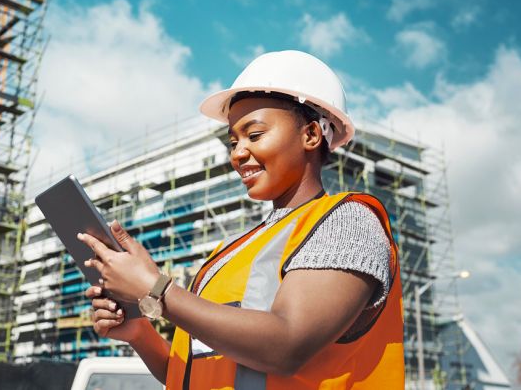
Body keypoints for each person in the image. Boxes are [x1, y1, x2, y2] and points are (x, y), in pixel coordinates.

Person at [80, 50, 404, 389]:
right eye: (233, 141)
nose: (238, 152)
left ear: (310, 135)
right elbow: (197, 374)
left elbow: (286, 346)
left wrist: (155, 290)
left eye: (255, 134)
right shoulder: (229, 255)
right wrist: (139, 333)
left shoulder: (349, 222)